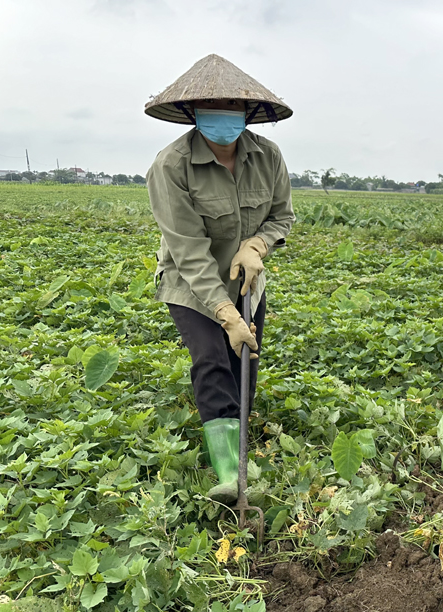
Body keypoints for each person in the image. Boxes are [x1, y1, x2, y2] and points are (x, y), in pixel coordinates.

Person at [145, 54, 295, 504]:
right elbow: (188, 252)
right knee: (212, 359)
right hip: (191, 286)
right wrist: (226, 314)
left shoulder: (268, 157)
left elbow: (281, 215)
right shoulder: (171, 166)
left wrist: (258, 245)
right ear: (193, 112)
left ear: (249, 112)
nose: (224, 114)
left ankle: (240, 444)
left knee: (244, 361)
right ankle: (230, 472)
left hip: (247, 279)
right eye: (213, 105)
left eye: (234, 105)